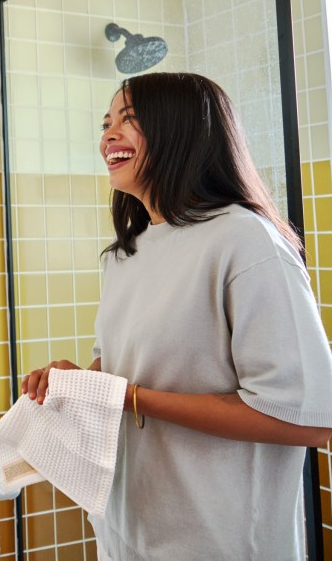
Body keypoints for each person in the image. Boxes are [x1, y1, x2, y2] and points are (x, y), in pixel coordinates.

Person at [21, 72, 332, 560]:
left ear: (182, 130)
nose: (108, 136)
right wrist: (77, 381)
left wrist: (132, 398)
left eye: (130, 119)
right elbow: (123, 372)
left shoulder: (243, 240)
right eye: (106, 123)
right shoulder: (123, 256)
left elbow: (306, 419)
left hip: (220, 541)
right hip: (128, 530)